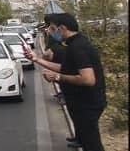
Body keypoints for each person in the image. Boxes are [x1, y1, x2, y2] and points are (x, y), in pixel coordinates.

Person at [25, 13, 106, 151]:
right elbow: (66, 68)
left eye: (52, 28)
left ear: (62, 28)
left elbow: (88, 79)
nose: (49, 32)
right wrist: (37, 59)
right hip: (82, 103)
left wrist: (58, 77)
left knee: (92, 144)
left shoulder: (78, 47)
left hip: (87, 103)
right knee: (87, 141)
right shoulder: (73, 45)